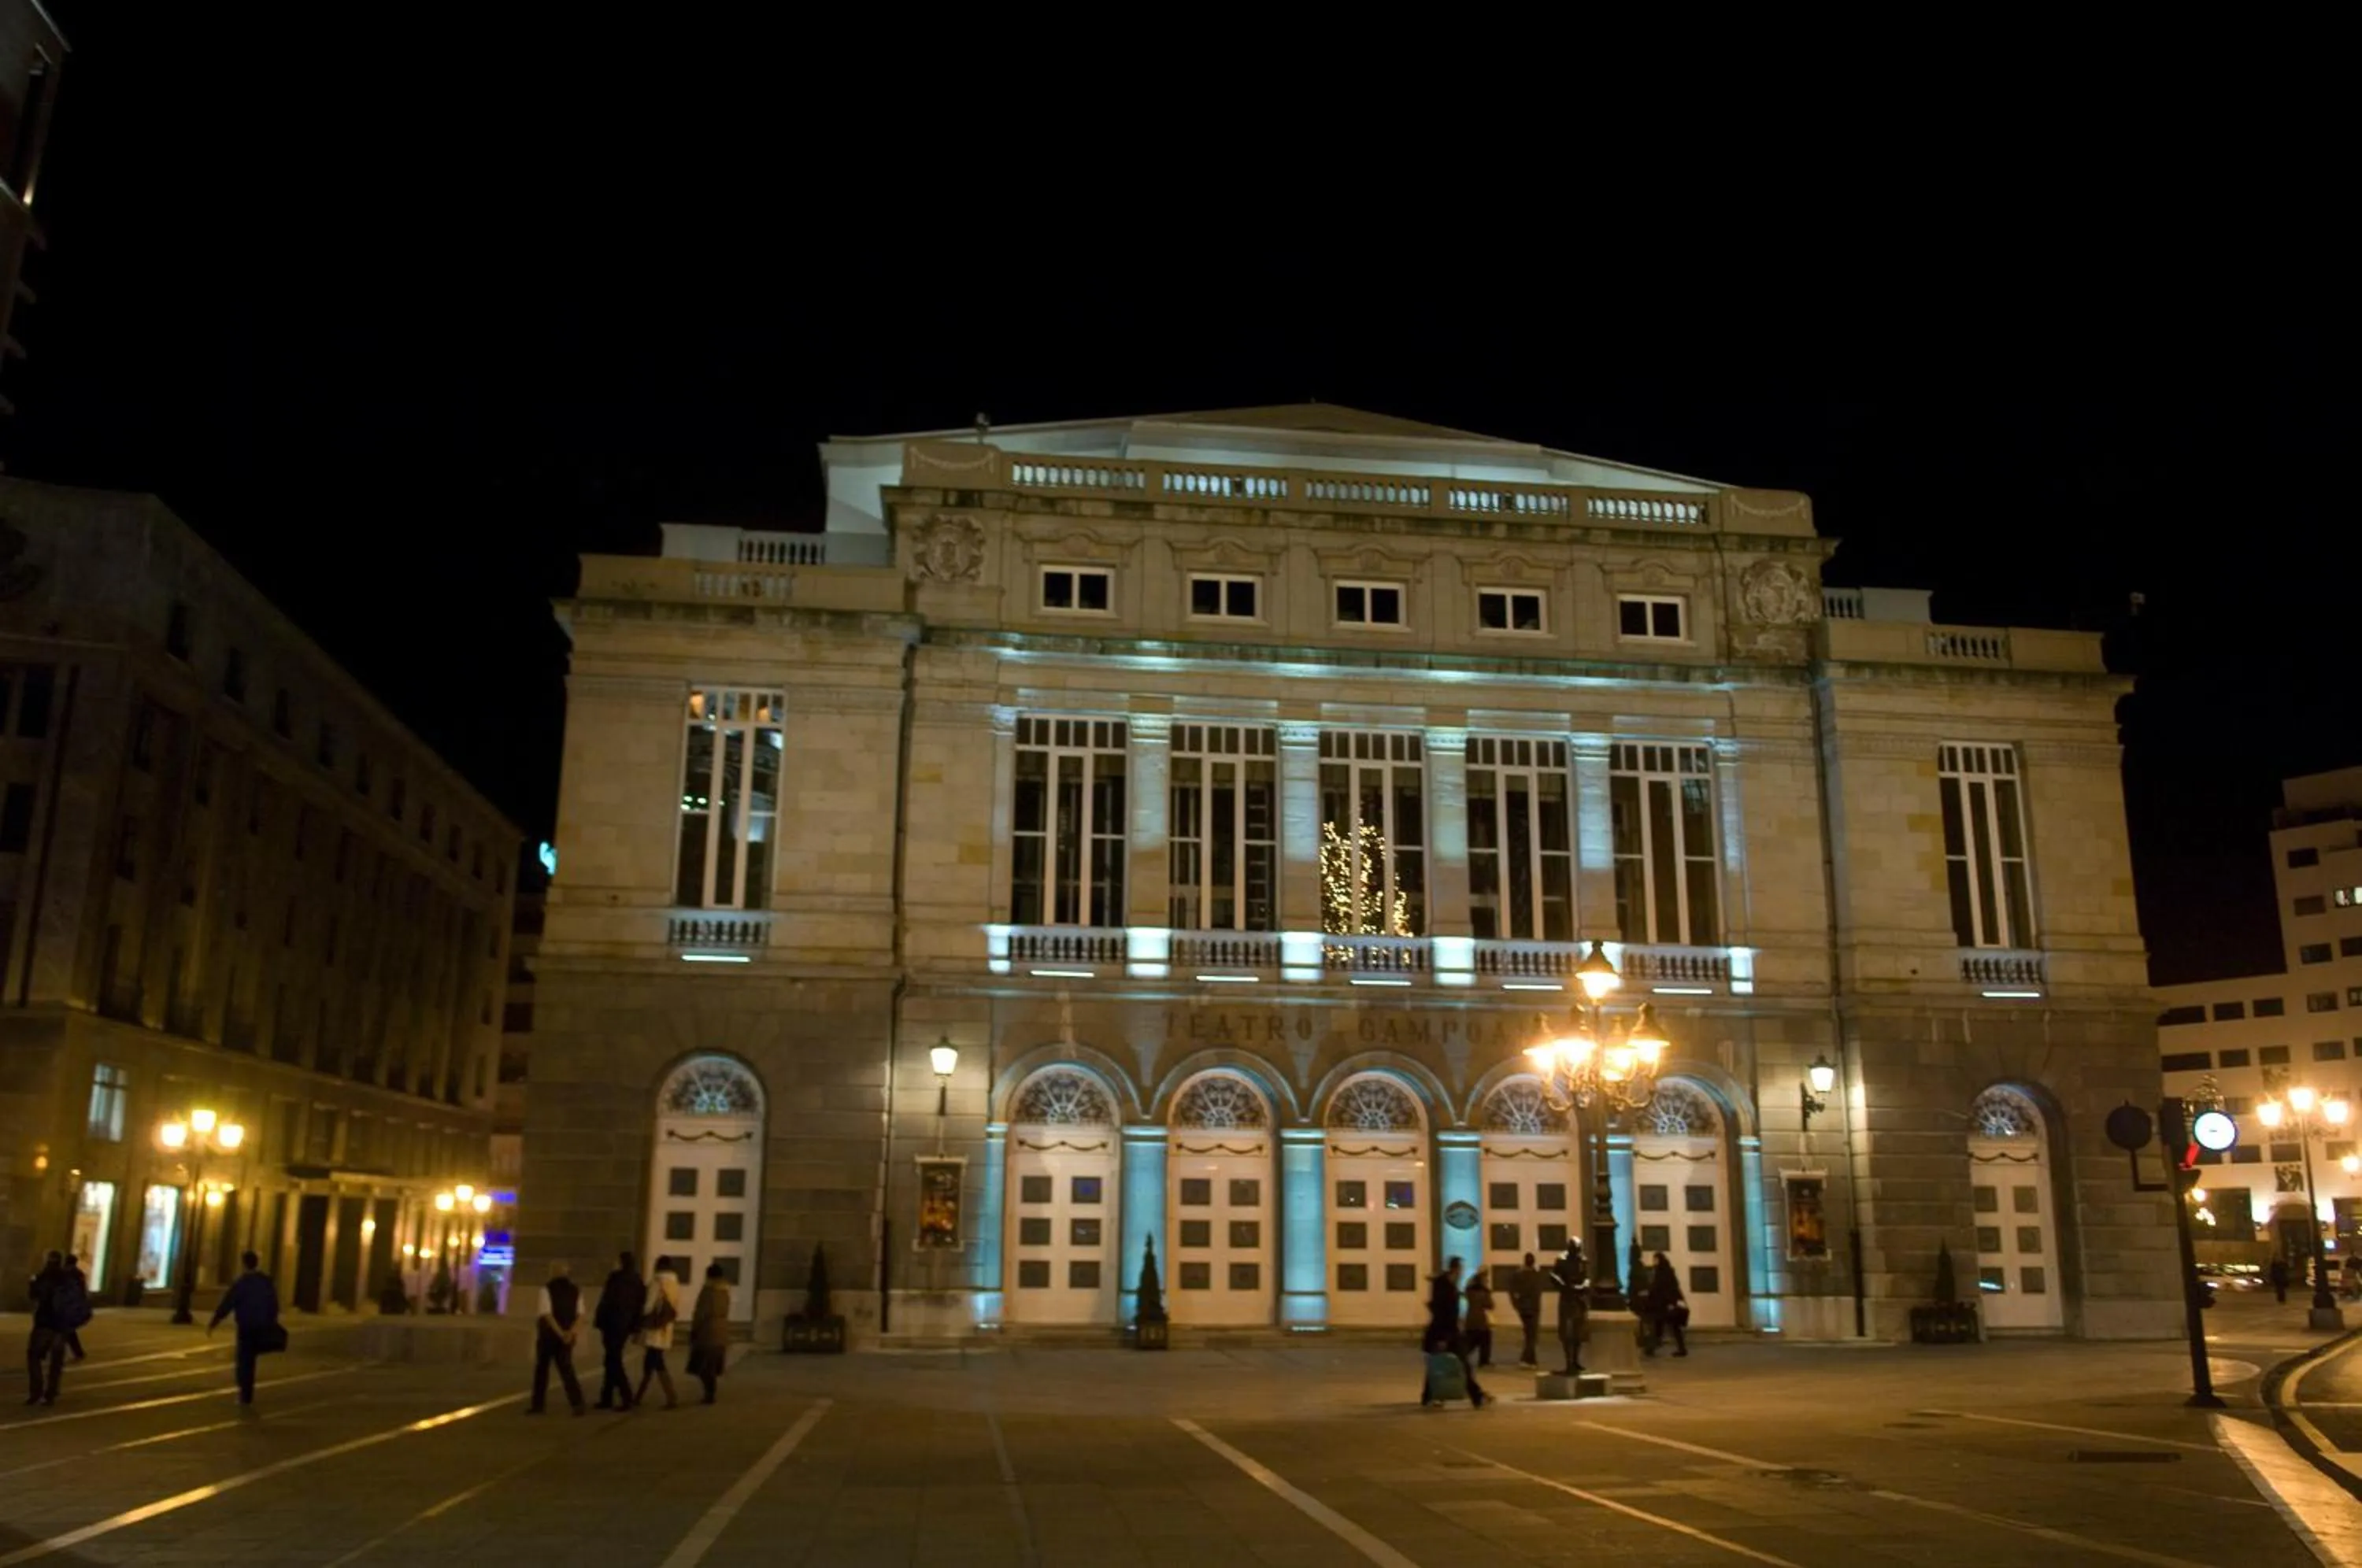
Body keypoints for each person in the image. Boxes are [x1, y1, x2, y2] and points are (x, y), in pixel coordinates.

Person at [205, 1251, 283, 1407]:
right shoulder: (266, 1282)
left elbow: (228, 1303)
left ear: (244, 1264)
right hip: (261, 1325)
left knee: (244, 1360)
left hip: (246, 1326)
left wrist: (215, 1322)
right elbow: (274, 1305)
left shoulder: (241, 1283)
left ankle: (245, 1393)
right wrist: (271, 1321)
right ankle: (247, 1392)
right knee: (252, 1359)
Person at [1420, 1256, 1490, 1408]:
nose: (1461, 1273)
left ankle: (1429, 1396)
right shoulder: (1444, 1287)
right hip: (1444, 1334)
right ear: (1456, 1269)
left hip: (1450, 1333)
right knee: (1457, 1364)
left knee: (1446, 1364)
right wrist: (1442, 1338)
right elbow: (1441, 1312)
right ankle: (1476, 1396)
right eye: (1460, 1269)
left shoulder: (1448, 1285)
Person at [528, 1259, 587, 1415]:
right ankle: (577, 1403)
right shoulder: (576, 1290)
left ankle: (538, 1405)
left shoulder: (546, 1290)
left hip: (548, 1336)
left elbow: (546, 1314)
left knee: (542, 1370)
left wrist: (560, 1333)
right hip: (568, 1336)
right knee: (567, 1370)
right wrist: (570, 1333)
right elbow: (581, 1315)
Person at [594, 1251, 646, 1411]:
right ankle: (607, 1396)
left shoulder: (615, 1279)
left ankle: (626, 1396)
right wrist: (636, 1326)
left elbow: (607, 1301)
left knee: (613, 1360)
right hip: (625, 1325)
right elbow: (640, 1305)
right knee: (611, 1358)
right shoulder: (637, 1281)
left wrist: (599, 1320)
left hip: (612, 1324)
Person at [632, 1255, 683, 1411]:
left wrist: (640, 1318)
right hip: (666, 1327)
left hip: (654, 1327)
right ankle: (638, 1396)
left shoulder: (657, 1281)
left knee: (656, 1362)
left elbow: (648, 1305)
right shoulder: (674, 1283)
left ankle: (671, 1397)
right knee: (652, 1361)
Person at [24, 1252, 65, 1407]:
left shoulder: (43, 1277)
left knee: (34, 1356)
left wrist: (32, 1283)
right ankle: (51, 1393)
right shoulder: (66, 1279)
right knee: (56, 1360)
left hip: (44, 1323)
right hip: (61, 1325)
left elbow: (33, 1295)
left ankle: (36, 1391)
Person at [689, 1263, 731, 1404]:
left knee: (702, 1366)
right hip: (721, 1332)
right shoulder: (725, 1291)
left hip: (707, 1332)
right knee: (712, 1365)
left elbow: (701, 1312)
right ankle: (710, 1392)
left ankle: (709, 1393)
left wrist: (694, 1329)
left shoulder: (708, 1291)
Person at [1549, 1241, 1590, 1374]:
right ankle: (1569, 1362)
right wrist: (1564, 1286)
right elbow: (1553, 1276)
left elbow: (1587, 1277)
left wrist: (1583, 1286)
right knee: (1566, 1333)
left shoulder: (1582, 1260)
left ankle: (1576, 1361)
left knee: (1578, 1332)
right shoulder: (1561, 1260)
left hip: (1579, 1299)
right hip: (1567, 1299)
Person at [1645, 1252, 1689, 1358]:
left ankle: (1651, 1348)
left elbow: (1659, 1288)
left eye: (1655, 1260)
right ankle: (1681, 1349)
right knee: (1673, 1328)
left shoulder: (1661, 1273)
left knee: (1659, 1326)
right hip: (1667, 1304)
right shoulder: (1668, 1272)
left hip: (1664, 1305)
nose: (1654, 1262)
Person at [1510, 1252, 1545, 1367]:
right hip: (1533, 1308)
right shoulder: (1536, 1275)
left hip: (1523, 1308)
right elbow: (1538, 1292)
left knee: (1529, 1334)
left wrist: (1516, 1305)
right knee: (1532, 1335)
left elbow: (1512, 1291)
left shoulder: (1518, 1274)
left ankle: (1532, 1360)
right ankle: (1526, 1359)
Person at [1462, 1267, 1497, 1369]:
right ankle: (1484, 1361)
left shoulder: (1469, 1291)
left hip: (1470, 1319)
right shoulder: (1484, 1292)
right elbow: (1490, 1305)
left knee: (1470, 1341)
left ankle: (1461, 1356)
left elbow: (1466, 1290)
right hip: (1481, 1320)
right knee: (1485, 1340)